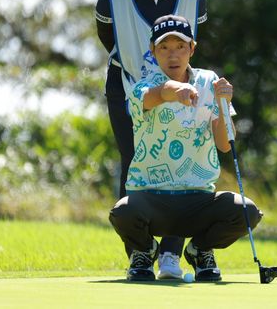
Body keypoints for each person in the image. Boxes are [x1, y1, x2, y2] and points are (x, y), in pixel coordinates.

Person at [108, 15, 263, 282]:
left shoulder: (209, 81)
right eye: (164, 47)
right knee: (122, 212)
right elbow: (158, 94)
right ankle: (145, 251)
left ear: (192, 48)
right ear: (153, 51)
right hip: (151, 197)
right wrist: (176, 89)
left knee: (246, 212)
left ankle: (199, 250)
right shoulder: (141, 85)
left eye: (180, 47)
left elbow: (225, 145)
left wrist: (223, 104)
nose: (173, 55)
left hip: (198, 199)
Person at [95, 0, 207, 279]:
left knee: (179, 163)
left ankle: (172, 253)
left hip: (180, 87)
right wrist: (142, 78)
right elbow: (109, 40)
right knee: (133, 164)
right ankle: (141, 251)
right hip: (126, 88)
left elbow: (193, 40)